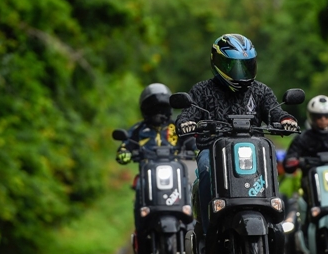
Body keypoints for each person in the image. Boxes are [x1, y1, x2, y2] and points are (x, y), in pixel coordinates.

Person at [175, 33, 299, 234]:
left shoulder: (260, 91)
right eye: (235, 66)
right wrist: (186, 123)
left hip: (252, 151)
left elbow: (274, 111)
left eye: (246, 65)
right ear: (219, 64)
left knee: (272, 164)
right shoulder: (202, 90)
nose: (241, 72)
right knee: (205, 169)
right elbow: (188, 114)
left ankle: (273, 221)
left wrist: (286, 120)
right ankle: (208, 230)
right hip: (213, 150)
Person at [115, 83, 195, 235]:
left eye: (162, 108)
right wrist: (124, 153)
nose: (158, 113)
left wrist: (196, 148)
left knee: (186, 184)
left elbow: (189, 140)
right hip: (148, 173)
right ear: (146, 111)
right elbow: (126, 145)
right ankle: (141, 229)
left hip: (174, 171)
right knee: (139, 185)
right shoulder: (139, 129)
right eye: (153, 109)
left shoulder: (176, 127)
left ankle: (190, 223)